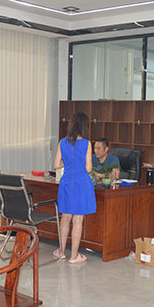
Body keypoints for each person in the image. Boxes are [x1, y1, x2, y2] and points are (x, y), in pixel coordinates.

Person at [53, 112, 96, 264]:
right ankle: (74, 256)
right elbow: (89, 168)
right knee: (78, 220)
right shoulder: (87, 143)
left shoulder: (62, 142)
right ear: (84, 126)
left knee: (65, 218)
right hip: (81, 184)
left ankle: (61, 252)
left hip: (66, 183)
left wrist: (66, 163)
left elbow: (56, 165)